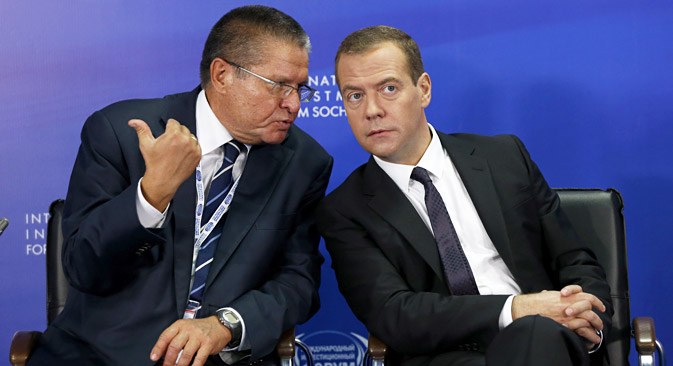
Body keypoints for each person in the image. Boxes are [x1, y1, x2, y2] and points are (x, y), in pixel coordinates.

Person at [28, 6, 333, 366]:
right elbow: (83, 266)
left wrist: (227, 325)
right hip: (100, 355)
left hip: (217, 357)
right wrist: (151, 195)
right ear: (222, 74)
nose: (294, 104)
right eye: (279, 86)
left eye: (300, 88)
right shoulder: (121, 133)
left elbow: (297, 281)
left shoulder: (305, 162)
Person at [316, 25, 612, 366]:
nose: (372, 110)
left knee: (537, 336)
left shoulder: (504, 157)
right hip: (447, 358)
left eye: (389, 88)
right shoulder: (345, 210)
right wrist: (515, 309)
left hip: (550, 340)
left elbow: (575, 261)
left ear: (423, 89)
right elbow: (395, 314)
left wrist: (585, 320)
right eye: (355, 96)